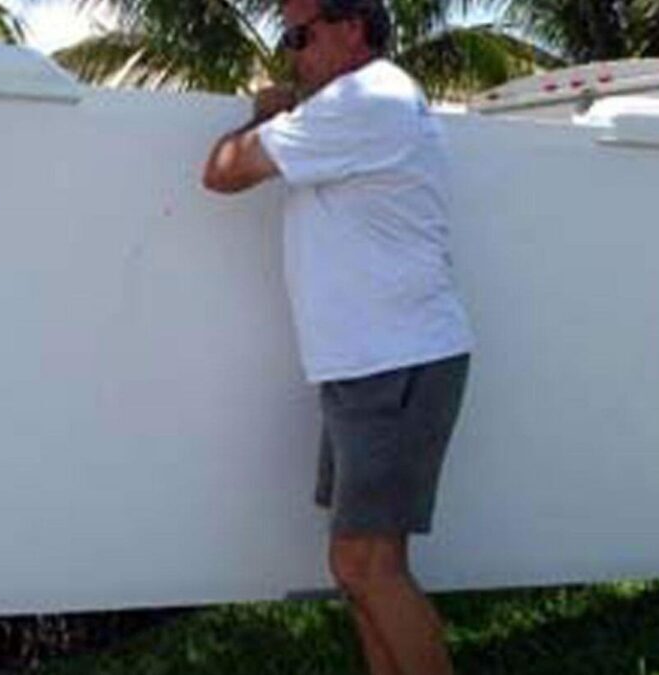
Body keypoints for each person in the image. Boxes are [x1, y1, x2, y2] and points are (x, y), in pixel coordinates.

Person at [201, 0, 474, 671]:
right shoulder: (370, 101)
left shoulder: (363, 99)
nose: (290, 51)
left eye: (299, 35)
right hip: (375, 361)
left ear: (351, 29)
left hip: (392, 361)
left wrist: (264, 115)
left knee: (364, 562)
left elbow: (222, 171)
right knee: (365, 566)